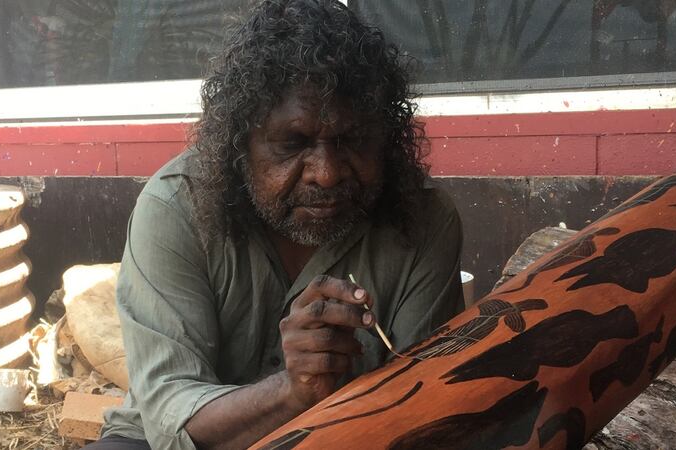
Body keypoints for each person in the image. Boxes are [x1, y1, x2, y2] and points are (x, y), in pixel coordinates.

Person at [88, 1, 464, 448]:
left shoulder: (424, 224)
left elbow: (417, 405)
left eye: (352, 141)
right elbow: (173, 418)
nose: (326, 173)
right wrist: (291, 390)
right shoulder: (174, 208)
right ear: (240, 145)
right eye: (292, 143)